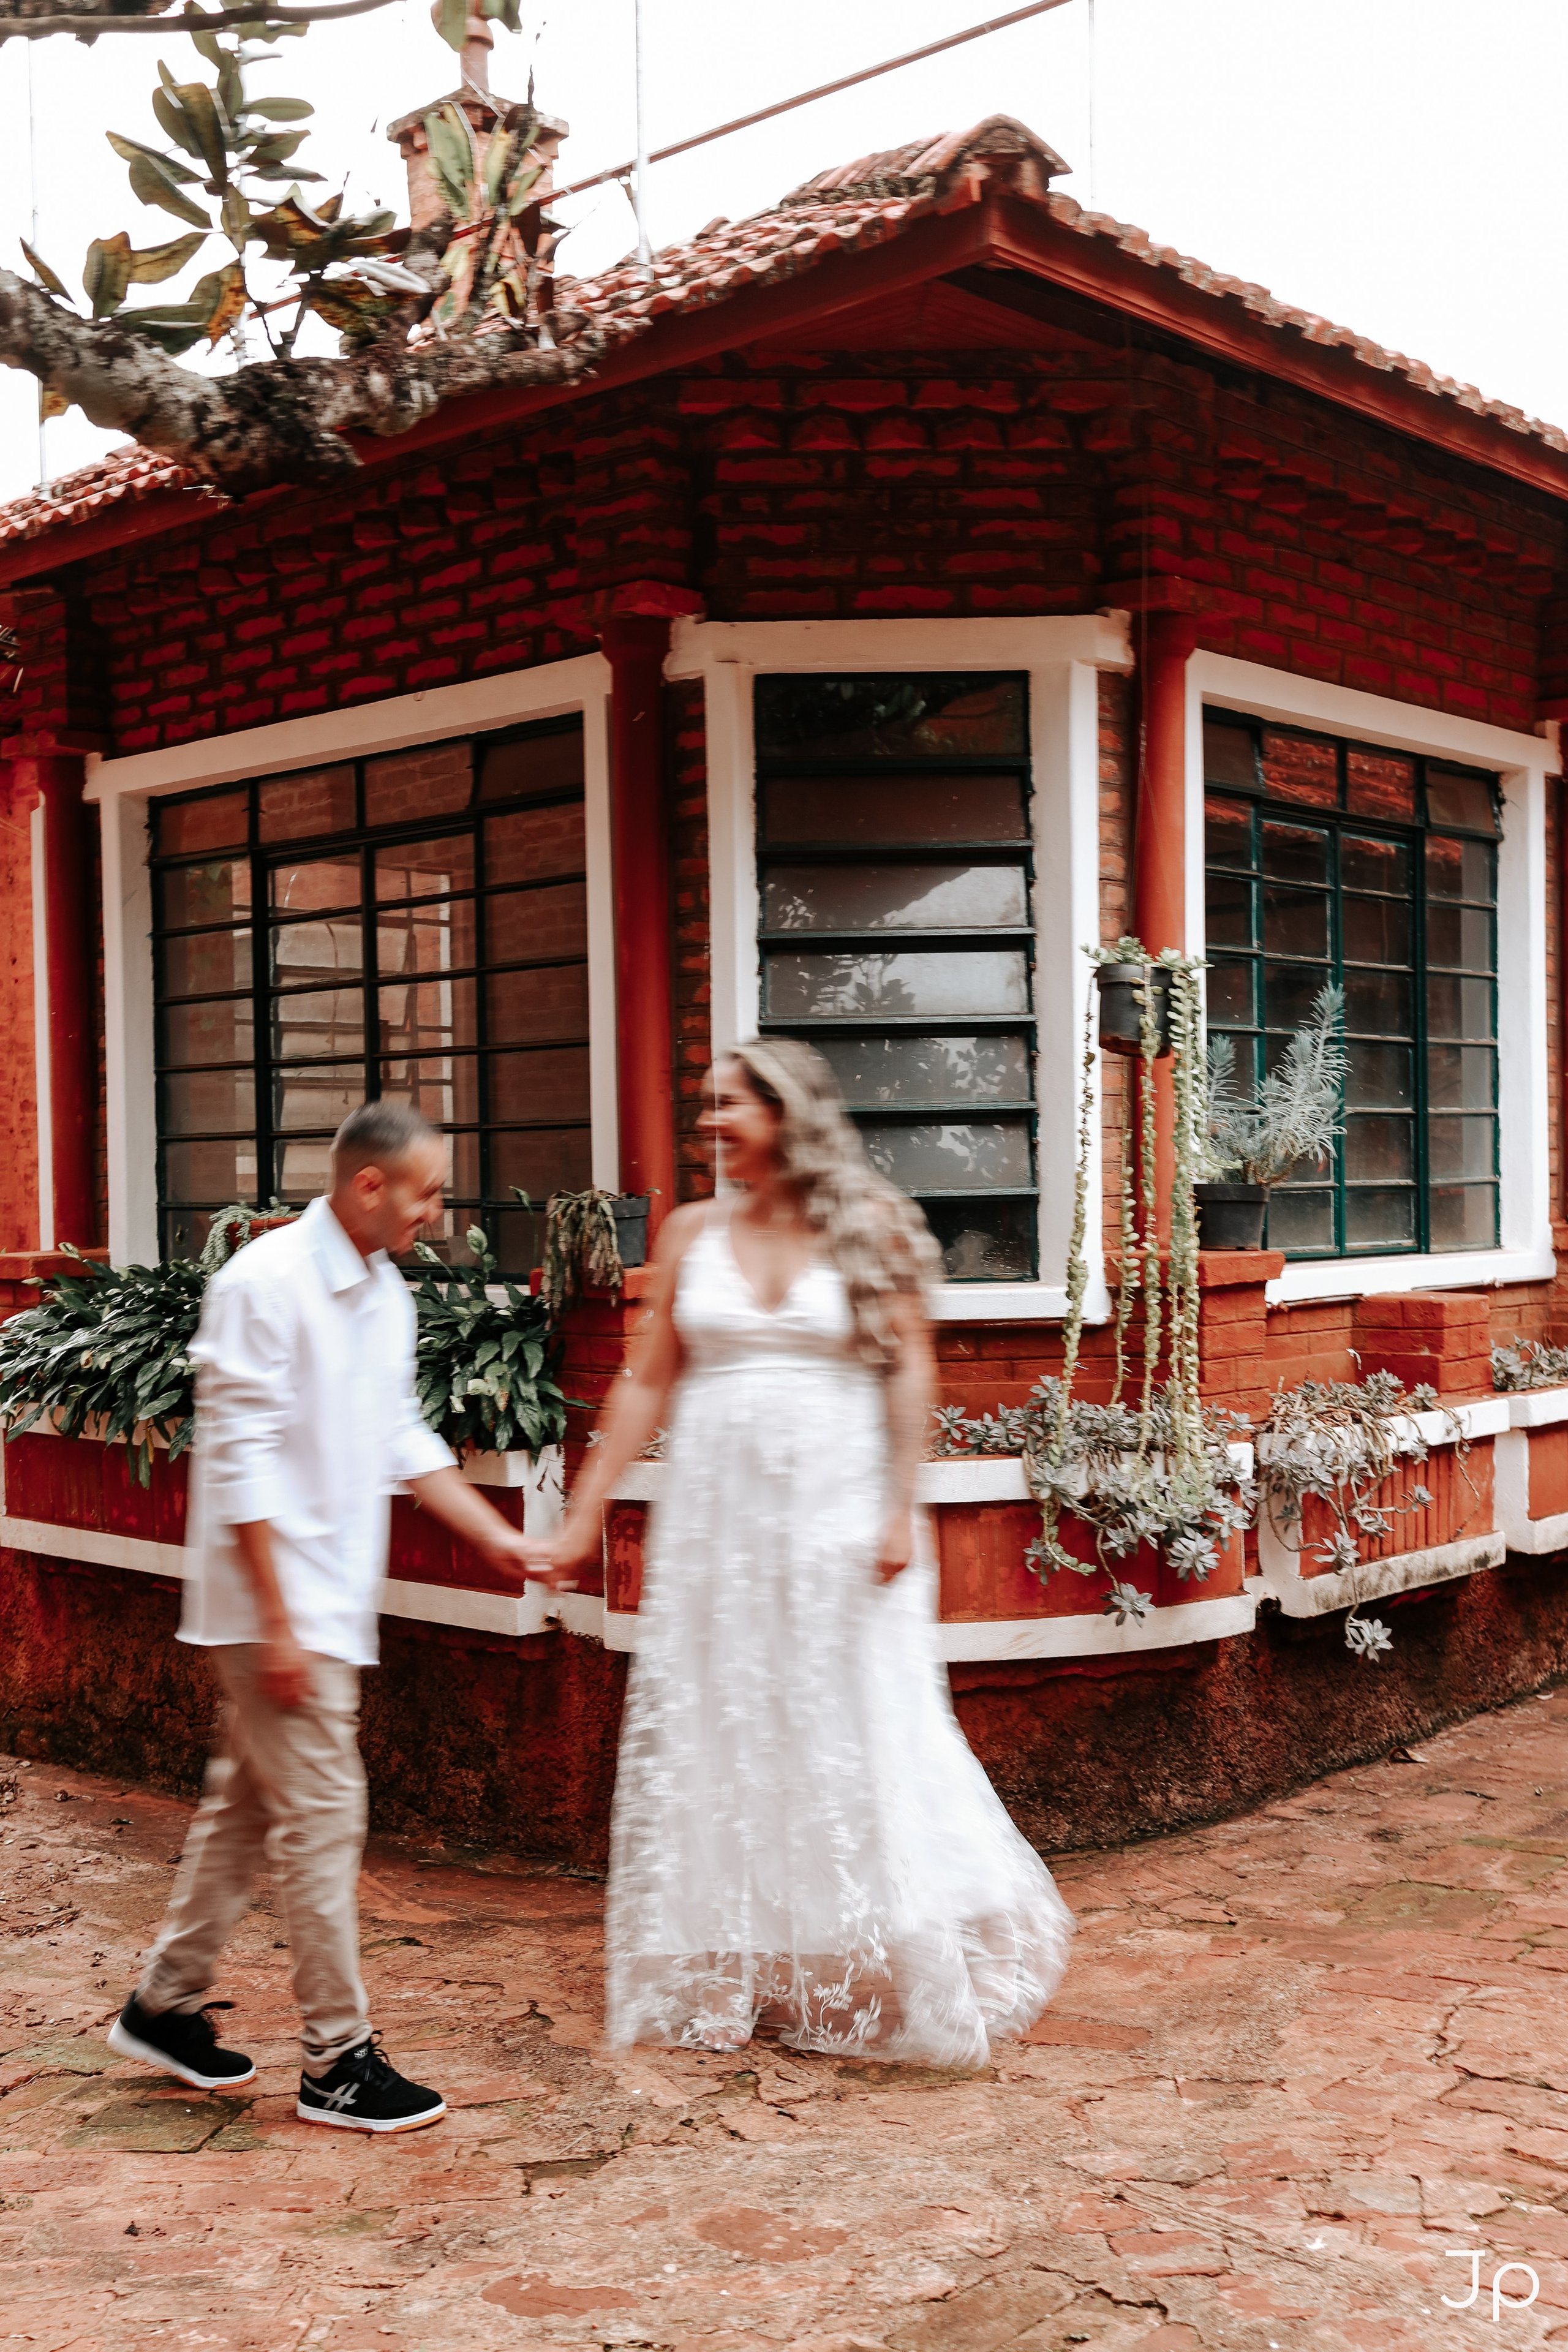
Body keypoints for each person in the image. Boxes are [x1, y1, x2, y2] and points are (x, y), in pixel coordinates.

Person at [526, 1039, 1075, 2064]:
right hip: (720, 1531)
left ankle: (923, 1960)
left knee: (860, 1728)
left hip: (838, 1519)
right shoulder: (693, 1232)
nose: (710, 1122)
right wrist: (584, 1514)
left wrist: (897, 1509)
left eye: (731, 1104)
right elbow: (647, 1382)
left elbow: (909, 1371)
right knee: (729, 1738)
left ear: (788, 1114)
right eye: (706, 1105)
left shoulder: (869, 1225)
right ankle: (733, 1972)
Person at [109, 1101, 564, 2133]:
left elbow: (402, 1436)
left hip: (322, 1600)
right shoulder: (260, 1287)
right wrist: (274, 1622)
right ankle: (337, 2062)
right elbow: (240, 1461)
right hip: (275, 1604)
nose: (438, 1214)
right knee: (325, 1820)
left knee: (251, 1810)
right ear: (371, 1186)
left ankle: (163, 2007)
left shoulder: (384, 1293)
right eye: (429, 1193)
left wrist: (497, 1539)